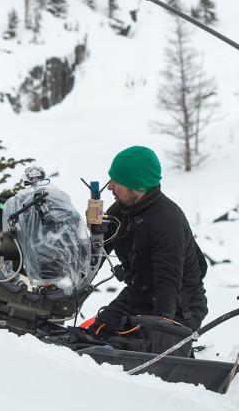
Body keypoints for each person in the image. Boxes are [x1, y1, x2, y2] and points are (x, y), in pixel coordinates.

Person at [90, 146, 209, 347]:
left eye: (116, 181)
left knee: (135, 348)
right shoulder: (121, 209)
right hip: (138, 294)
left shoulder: (168, 222)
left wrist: (159, 334)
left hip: (178, 305)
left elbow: (168, 285)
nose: (109, 187)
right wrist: (95, 237)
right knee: (92, 338)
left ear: (137, 186)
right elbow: (96, 257)